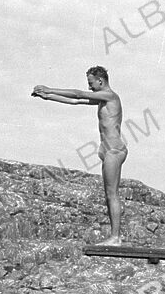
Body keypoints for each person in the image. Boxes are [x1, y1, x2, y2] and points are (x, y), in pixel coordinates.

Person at [32, 67, 126, 245]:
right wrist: (48, 97)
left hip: (114, 150)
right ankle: (114, 236)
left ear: (101, 81)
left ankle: (116, 237)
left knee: (112, 194)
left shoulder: (110, 96)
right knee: (108, 194)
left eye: (91, 83)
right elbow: (77, 101)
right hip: (106, 151)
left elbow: (77, 94)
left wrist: (50, 88)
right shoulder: (101, 99)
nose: (90, 88)